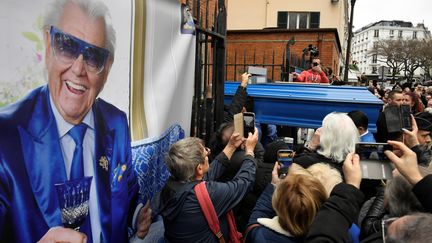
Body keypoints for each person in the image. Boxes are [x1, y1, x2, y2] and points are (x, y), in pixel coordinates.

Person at [0, 0, 150, 242]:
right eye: (67, 46)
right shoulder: (5, 136)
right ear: (48, 45)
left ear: (107, 68)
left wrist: (136, 214)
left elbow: (127, 189)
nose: (79, 69)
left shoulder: (117, 123)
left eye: (93, 56)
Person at [158, 129, 258, 242]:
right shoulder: (208, 194)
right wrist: (250, 152)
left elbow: (208, 175)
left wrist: (231, 146)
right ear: (199, 168)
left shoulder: (171, 186)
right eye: (205, 152)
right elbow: (243, 184)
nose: (209, 151)